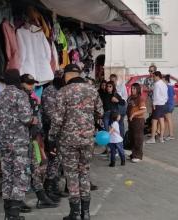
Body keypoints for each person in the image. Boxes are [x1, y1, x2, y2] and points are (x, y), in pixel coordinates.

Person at [49, 64, 103, 220]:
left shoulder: (63, 92)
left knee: (72, 175)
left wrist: (52, 138)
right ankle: (86, 213)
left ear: (67, 75)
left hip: (68, 141)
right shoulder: (92, 90)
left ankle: (75, 213)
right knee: (84, 172)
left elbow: (57, 119)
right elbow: (100, 111)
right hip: (87, 140)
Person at [0, 69, 35, 220]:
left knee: (7, 176)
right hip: (19, 143)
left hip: (4, 143)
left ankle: (8, 215)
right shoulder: (21, 95)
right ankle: (14, 215)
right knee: (19, 176)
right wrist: (34, 120)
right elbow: (26, 118)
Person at [20, 74, 58, 210]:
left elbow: (38, 119)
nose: (32, 86)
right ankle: (17, 201)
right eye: (29, 84)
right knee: (21, 171)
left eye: (33, 84)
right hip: (19, 142)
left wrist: (40, 136)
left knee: (36, 168)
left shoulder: (32, 99)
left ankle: (41, 198)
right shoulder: (19, 99)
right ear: (21, 84)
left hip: (33, 139)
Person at [42, 75, 67, 203]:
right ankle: (48, 188)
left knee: (58, 159)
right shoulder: (50, 91)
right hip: (51, 131)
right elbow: (50, 113)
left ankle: (54, 187)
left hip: (59, 131)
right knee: (54, 158)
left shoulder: (60, 90)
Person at [146, 71, 168, 144]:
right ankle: (161, 138)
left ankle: (153, 138)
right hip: (163, 104)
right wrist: (164, 102)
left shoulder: (157, 84)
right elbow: (166, 96)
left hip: (157, 104)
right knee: (161, 121)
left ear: (157, 76)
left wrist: (154, 104)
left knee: (154, 122)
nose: (153, 78)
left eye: (154, 76)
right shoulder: (164, 84)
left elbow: (156, 95)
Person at [127, 83, 146, 163]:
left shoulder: (140, 99)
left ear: (138, 90)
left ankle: (138, 155)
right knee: (132, 138)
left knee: (137, 138)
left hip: (138, 120)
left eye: (134, 88)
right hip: (131, 121)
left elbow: (143, 110)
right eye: (132, 88)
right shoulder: (130, 98)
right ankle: (133, 153)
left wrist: (134, 114)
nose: (132, 90)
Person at [163, 75, 175, 141]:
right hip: (171, 104)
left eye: (163, 80)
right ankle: (166, 134)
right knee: (167, 120)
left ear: (166, 80)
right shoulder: (171, 87)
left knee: (168, 120)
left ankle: (171, 135)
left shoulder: (166, 87)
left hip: (167, 104)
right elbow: (174, 96)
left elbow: (165, 97)